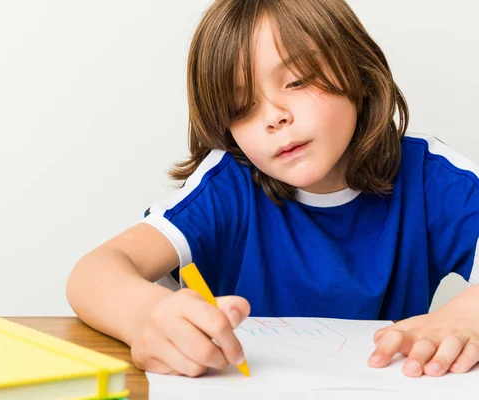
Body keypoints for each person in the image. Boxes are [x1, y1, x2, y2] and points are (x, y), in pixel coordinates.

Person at [66, 0, 479, 378]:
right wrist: (144, 317)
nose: (274, 117)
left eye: (297, 81)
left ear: (361, 73)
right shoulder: (227, 185)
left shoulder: (431, 177)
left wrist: (468, 314)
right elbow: (93, 273)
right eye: (241, 107)